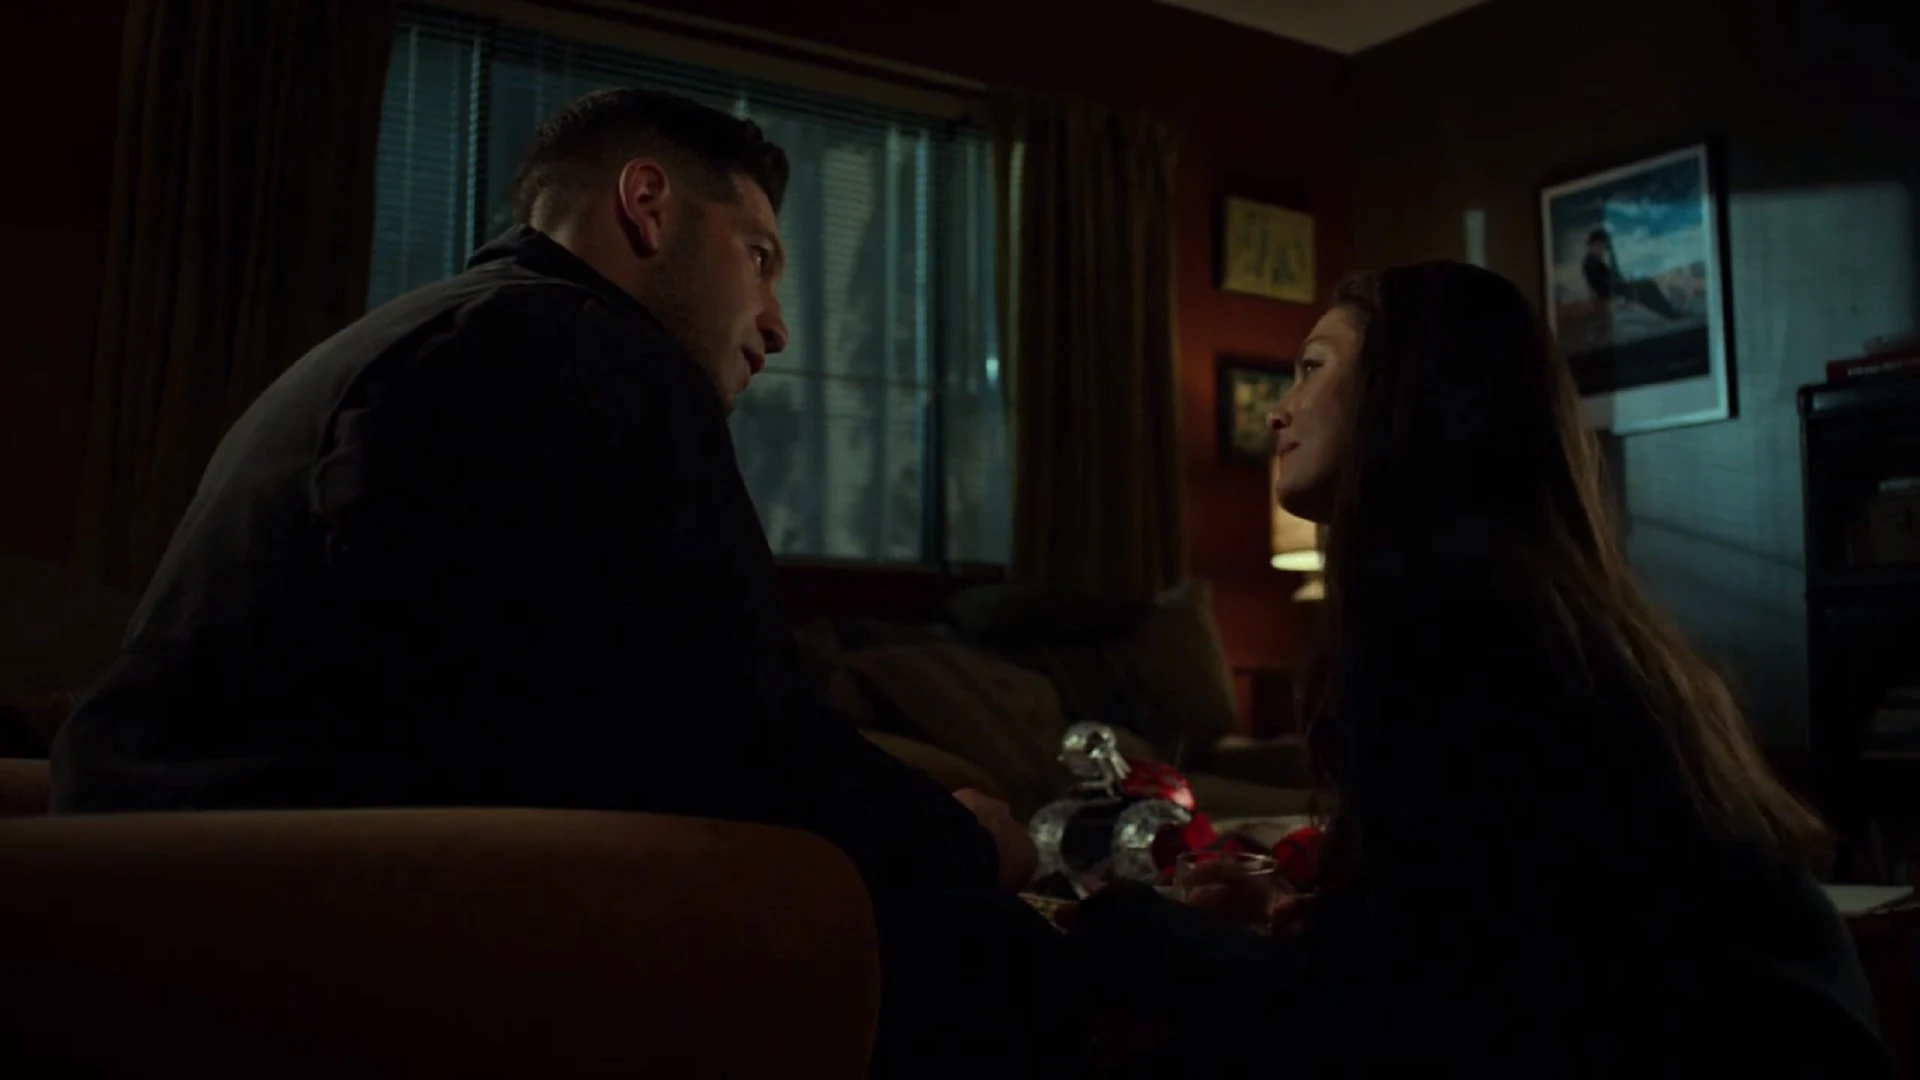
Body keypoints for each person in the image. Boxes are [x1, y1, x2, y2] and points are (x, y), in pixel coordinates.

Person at [51, 88, 1080, 1077]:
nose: (777, 324)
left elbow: (592, 715)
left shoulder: (437, 334)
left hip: (173, 887)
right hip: (290, 923)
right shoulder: (573, 350)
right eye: (759, 258)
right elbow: (732, 736)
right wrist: (961, 841)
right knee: (1064, 972)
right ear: (647, 203)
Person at [1066, 263, 1889, 1077]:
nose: (1279, 410)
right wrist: (1320, 917)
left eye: (1311, 367)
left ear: (1405, 390)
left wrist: (1118, 922)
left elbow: (1376, 1019)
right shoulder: (1537, 618)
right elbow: (1484, 947)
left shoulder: (1471, 644)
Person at [1583, 228, 1683, 319]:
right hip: (1613, 292)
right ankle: (1667, 312)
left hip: (1616, 289)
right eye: (1602, 245)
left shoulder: (1595, 261)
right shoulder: (1592, 263)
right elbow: (1605, 284)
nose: (1602, 249)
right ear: (1595, 244)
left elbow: (1612, 277)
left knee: (1646, 285)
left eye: (1604, 245)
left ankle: (1666, 311)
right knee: (1647, 286)